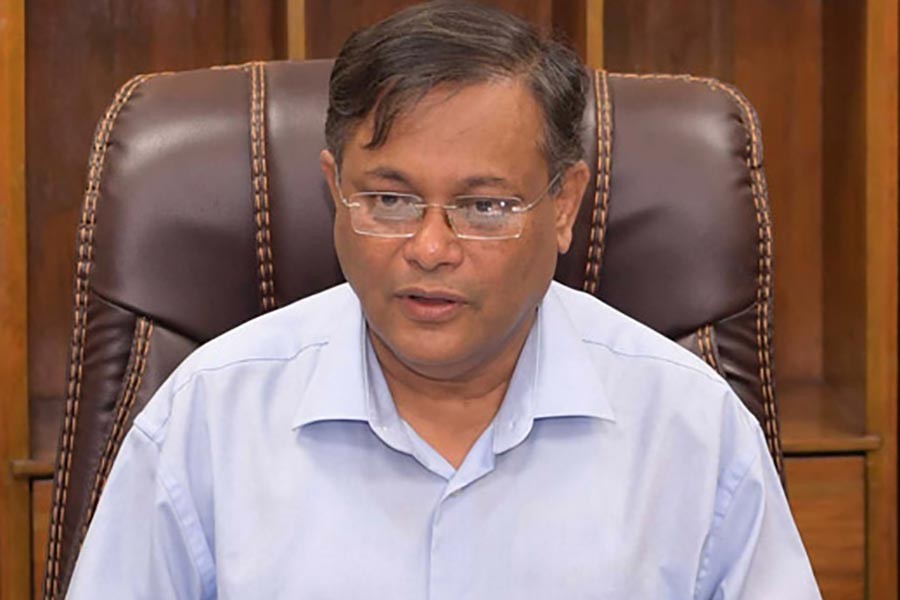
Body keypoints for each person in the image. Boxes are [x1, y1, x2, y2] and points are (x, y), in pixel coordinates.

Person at [67, 1, 822, 598]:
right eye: (390, 200)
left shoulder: (688, 429)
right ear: (334, 189)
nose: (430, 248)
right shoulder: (207, 418)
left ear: (564, 205)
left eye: (485, 206)